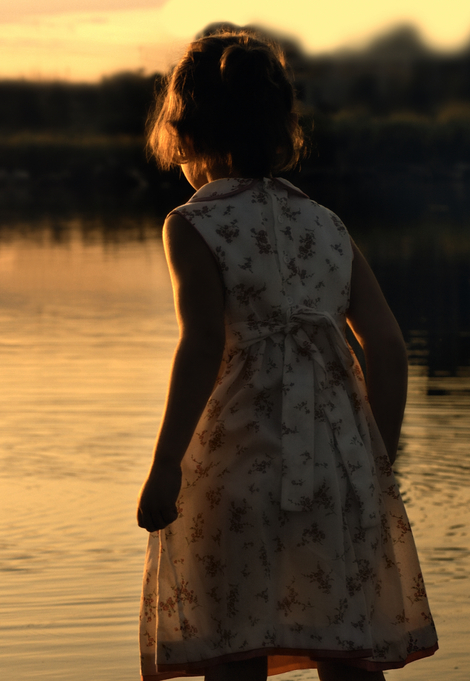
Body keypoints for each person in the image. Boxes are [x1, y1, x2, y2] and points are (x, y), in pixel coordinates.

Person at [136, 26, 438, 681]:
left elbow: (203, 344)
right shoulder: (326, 223)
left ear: (189, 129)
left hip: (239, 461)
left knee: (236, 648)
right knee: (348, 649)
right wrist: (375, 460)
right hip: (336, 461)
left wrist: (164, 466)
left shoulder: (193, 222)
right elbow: (386, 347)